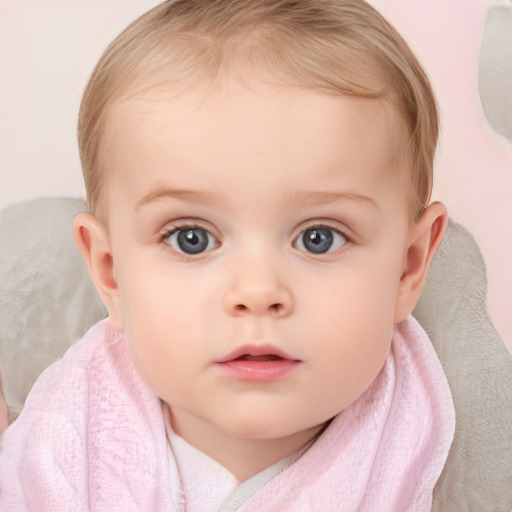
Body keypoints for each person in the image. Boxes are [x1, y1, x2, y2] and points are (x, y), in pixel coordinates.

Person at [0, 0, 455, 510]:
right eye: (190, 237)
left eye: (319, 237)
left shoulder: (456, 447)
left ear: (408, 267)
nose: (257, 292)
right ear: (110, 272)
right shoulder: (65, 441)